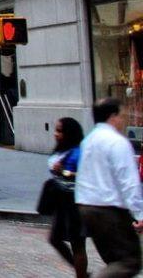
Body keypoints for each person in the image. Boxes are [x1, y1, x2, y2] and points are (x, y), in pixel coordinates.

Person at [77, 98, 143, 276]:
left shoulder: (88, 141)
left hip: (87, 206)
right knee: (129, 261)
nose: (124, 120)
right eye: (122, 116)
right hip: (108, 209)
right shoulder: (117, 142)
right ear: (113, 117)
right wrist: (139, 213)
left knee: (114, 260)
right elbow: (128, 181)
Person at [46, 117, 87, 278]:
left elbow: (85, 176)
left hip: (75, 202)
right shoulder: (62, 150)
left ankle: (82, 275)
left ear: (69, 133)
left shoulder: (78, 153)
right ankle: (82, 273)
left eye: (60, 131)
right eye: (56, 130)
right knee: (55, 238)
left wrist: (63, 171)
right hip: (62, 201)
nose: (56, 134)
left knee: (77, 243)